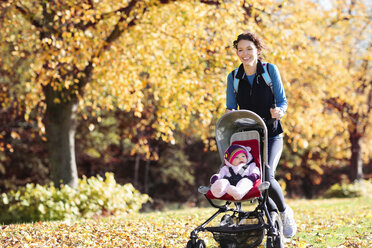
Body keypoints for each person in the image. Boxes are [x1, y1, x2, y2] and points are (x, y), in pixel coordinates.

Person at [225, 32, 297, 238]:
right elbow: (231, 107)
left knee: (266, 173)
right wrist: (229, 114)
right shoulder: (233, 77)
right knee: (253, 178)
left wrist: (279, 112)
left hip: (272, 135)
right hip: (247, 138)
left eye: (249, 49)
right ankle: (272, 213)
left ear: (257, 49)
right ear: (236, 52)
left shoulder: (269, 71)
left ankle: (284, 213)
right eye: (240, 49)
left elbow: (282, 101)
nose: (244, 53)